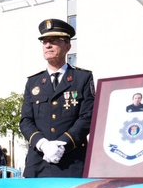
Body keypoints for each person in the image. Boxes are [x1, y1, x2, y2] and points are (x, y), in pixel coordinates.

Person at [20, 18, 95, 178]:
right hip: (38, 164)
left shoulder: (82, 78)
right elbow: (26, 121)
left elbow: (88, 117)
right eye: (44, 41)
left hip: (72, 164)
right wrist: (43, 144)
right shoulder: (33, 82)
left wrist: (62, 144)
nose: (47, 45)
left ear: (68, 46)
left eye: (53, 41)